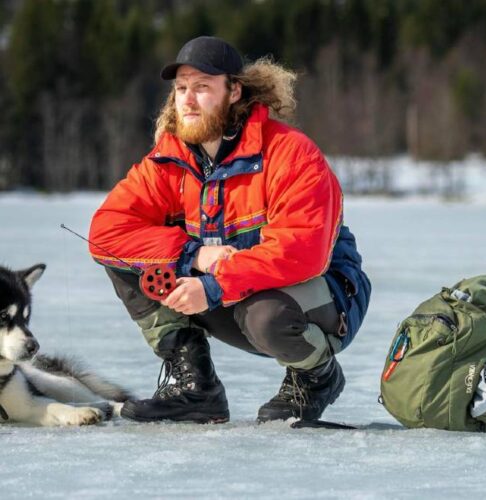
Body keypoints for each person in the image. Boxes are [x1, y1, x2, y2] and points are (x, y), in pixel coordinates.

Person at [88, 36, 371, 424]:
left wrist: (214, 286)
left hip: (323, 297)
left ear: (234, 91)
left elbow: (302, 251)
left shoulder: (291, 154)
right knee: (127, 259)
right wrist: (193, 255)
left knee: (266, 315)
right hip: (232, 291)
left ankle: (317, 376)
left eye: (202, 87)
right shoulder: (170, 159)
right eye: (182, 88)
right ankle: (195, 387)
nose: (187, 99)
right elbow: (106, 231)